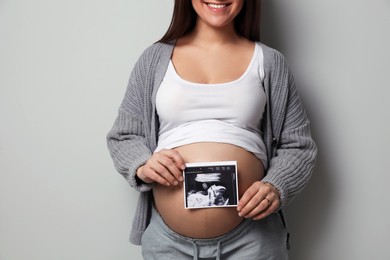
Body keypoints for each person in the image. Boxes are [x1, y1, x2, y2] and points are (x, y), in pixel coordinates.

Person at [107, 0, 317, 259]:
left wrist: (276, 185)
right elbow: (123, 136)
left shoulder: (269, 62)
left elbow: (298, 145)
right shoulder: (153, 60)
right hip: (169, 245)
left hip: (253, 242)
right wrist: (143, 165)